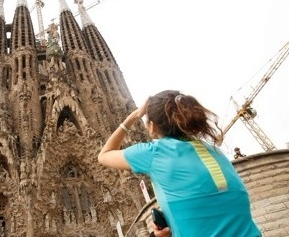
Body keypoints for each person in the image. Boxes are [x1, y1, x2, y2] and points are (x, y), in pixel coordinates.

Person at [98, 90, 261, 237]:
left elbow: (104, 155)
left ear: (152, 126)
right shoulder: (215, 152)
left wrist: (132, 117)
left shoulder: (155, 153)